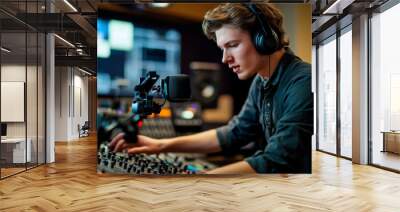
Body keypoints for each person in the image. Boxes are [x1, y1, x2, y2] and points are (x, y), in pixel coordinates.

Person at [109, 3, 313, 174]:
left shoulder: (303, 81)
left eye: (232, 45)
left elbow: (277, 160)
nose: (225, 59)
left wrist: (201, 181)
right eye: (222, 49)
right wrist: (160, 145)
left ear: (264, 40)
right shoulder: (261, 82)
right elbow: (233, 133)